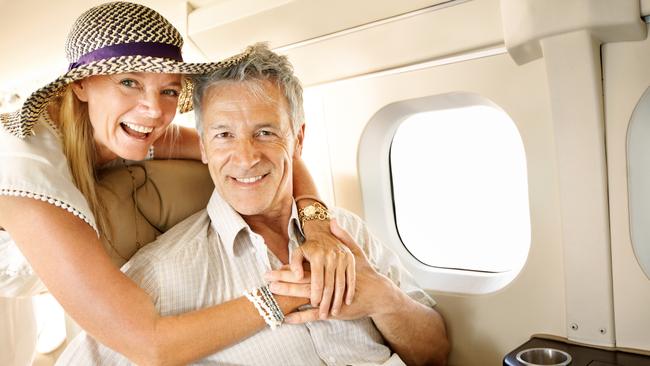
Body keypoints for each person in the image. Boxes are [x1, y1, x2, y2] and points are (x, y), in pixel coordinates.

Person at [0, 3, 355, 365]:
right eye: (129, 83)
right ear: (81, 85)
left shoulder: (135, 129)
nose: (154, 110)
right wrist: (293, 291)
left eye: (169, 90)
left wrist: (318, 227)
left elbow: (274, 149)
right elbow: (150, 345)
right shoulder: (26, 170)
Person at [58, 43, 450, 366]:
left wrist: (384, 299)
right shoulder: (161, 274)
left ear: (297, 140)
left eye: (265, 133)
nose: (245, 158)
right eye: (224, 135)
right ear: (205, 148)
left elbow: (435, 353)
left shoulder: (345, 232)